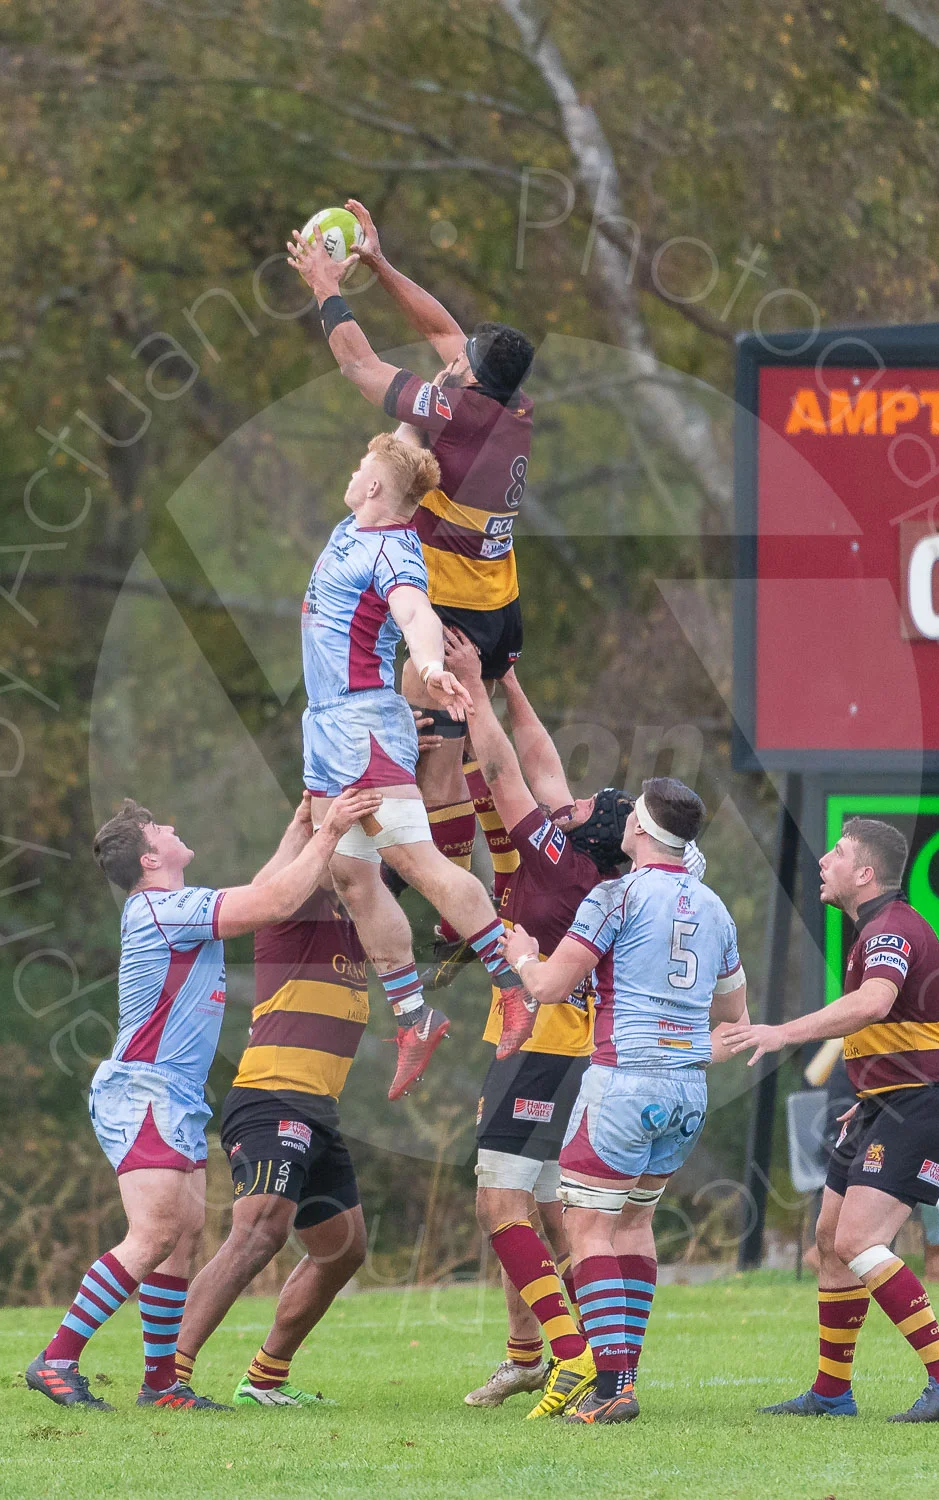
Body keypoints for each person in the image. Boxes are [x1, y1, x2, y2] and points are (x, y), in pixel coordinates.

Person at [24, 787, 380, 1412]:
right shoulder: (163, 909)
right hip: (147, 1089)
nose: (172, 824)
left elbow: (267, 895)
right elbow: (273, 900)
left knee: (182, 1238)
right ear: (149, 860)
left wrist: (301, 826)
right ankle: (57, 1359)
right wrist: (330, 833)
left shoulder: (174, 905)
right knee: (156, 1232)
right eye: (160, 826)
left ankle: (162, 1385)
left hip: (177, 1095)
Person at [288, 210, 535, 972]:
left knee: (437, 763)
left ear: (469, 380)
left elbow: (360, 366)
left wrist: (328, 286)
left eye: (459, 363)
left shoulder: (456, 414)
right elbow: (445, 333)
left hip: (455, 609)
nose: (448, 361)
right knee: (465, 757)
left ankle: (459, 913)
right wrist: (384, 265)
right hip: (499, 604)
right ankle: (480, 891)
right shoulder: (511, 404)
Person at [502, 778, 750, 1425]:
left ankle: (612, 1386)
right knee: (634, 1225)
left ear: (638, 827)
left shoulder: (616, 895)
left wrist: (524, 959)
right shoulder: (717, 908)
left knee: (586, 1227)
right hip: (688, 1091)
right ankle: (623, 1376)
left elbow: (554, 987)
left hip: (622, 1082)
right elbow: (733, 1014)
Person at [298, 430, 529, 1102]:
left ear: (374, 486)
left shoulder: (394, 551)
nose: (353, 469)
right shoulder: (361, 516)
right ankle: (413, 1015)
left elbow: (415, 613)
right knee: (347, 872)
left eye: (359, 466)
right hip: (325, 726)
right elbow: (398, 437)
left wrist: (428, 664)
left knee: (416, 865)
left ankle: (512, 987)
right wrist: (432, 393)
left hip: (363, 726)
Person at [727, 817, 939, 1424]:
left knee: (858, 1241)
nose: (824, 862)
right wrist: (867, 1097)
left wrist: (782, 1032)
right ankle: (831, 1393)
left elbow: (873, 1004)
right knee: (829, 1243)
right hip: (883, 1104)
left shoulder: (889, 928)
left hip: (921, 1104)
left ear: (865, 874)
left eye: (837, 854)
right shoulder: (870, 926)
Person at [440, 628, 634, 1412]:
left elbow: (506, 770)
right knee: (550, 1208)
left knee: (498, 1203)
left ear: (590, 830)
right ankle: (548, 1354)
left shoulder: (556, 859)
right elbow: (545, 763)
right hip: (561, 1043)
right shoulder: (590, 856)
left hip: (542, 1043)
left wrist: (473, 690)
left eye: (587, 804)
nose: (573, 796)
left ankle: (571, 1352)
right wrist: (511, 684)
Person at [173, 794, 371, 1407]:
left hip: (317, 1109)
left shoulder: (361, 921)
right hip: (269, 1097)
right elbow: (273, 881)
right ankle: (167, 1378)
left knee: (343, 1249)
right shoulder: (293, 910)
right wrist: (312, 822)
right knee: (259, 1232)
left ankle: (265, 1378)